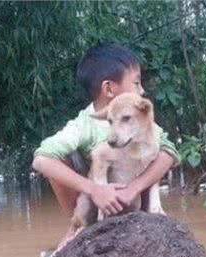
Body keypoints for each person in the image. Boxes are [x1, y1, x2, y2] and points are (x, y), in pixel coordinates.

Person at [31, 43, 180, 243]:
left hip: (134, 197)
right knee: (60, 159)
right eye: (136, 83)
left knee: (157, 153)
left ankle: (147, 221)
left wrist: (134, 188)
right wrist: (95, 190)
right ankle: (77, 226)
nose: (142, 90)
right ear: (109, 88)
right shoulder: (84, 125)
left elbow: (169, 153)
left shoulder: (139, 115)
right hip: (95, 199)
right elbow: (41, 160)